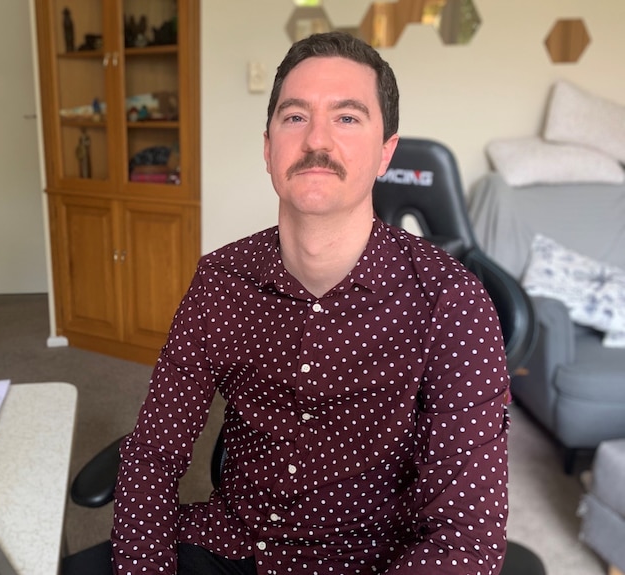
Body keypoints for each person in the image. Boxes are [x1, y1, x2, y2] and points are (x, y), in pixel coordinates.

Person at [112, 31, 509, 574]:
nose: (316, 139)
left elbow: (466, 537)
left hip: (373, 561)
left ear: (384, 152)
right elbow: (152, 456)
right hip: (234, 545)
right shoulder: (220, 280)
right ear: (269, 148)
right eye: (294, 117)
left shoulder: (450, 300)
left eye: (347, 118)